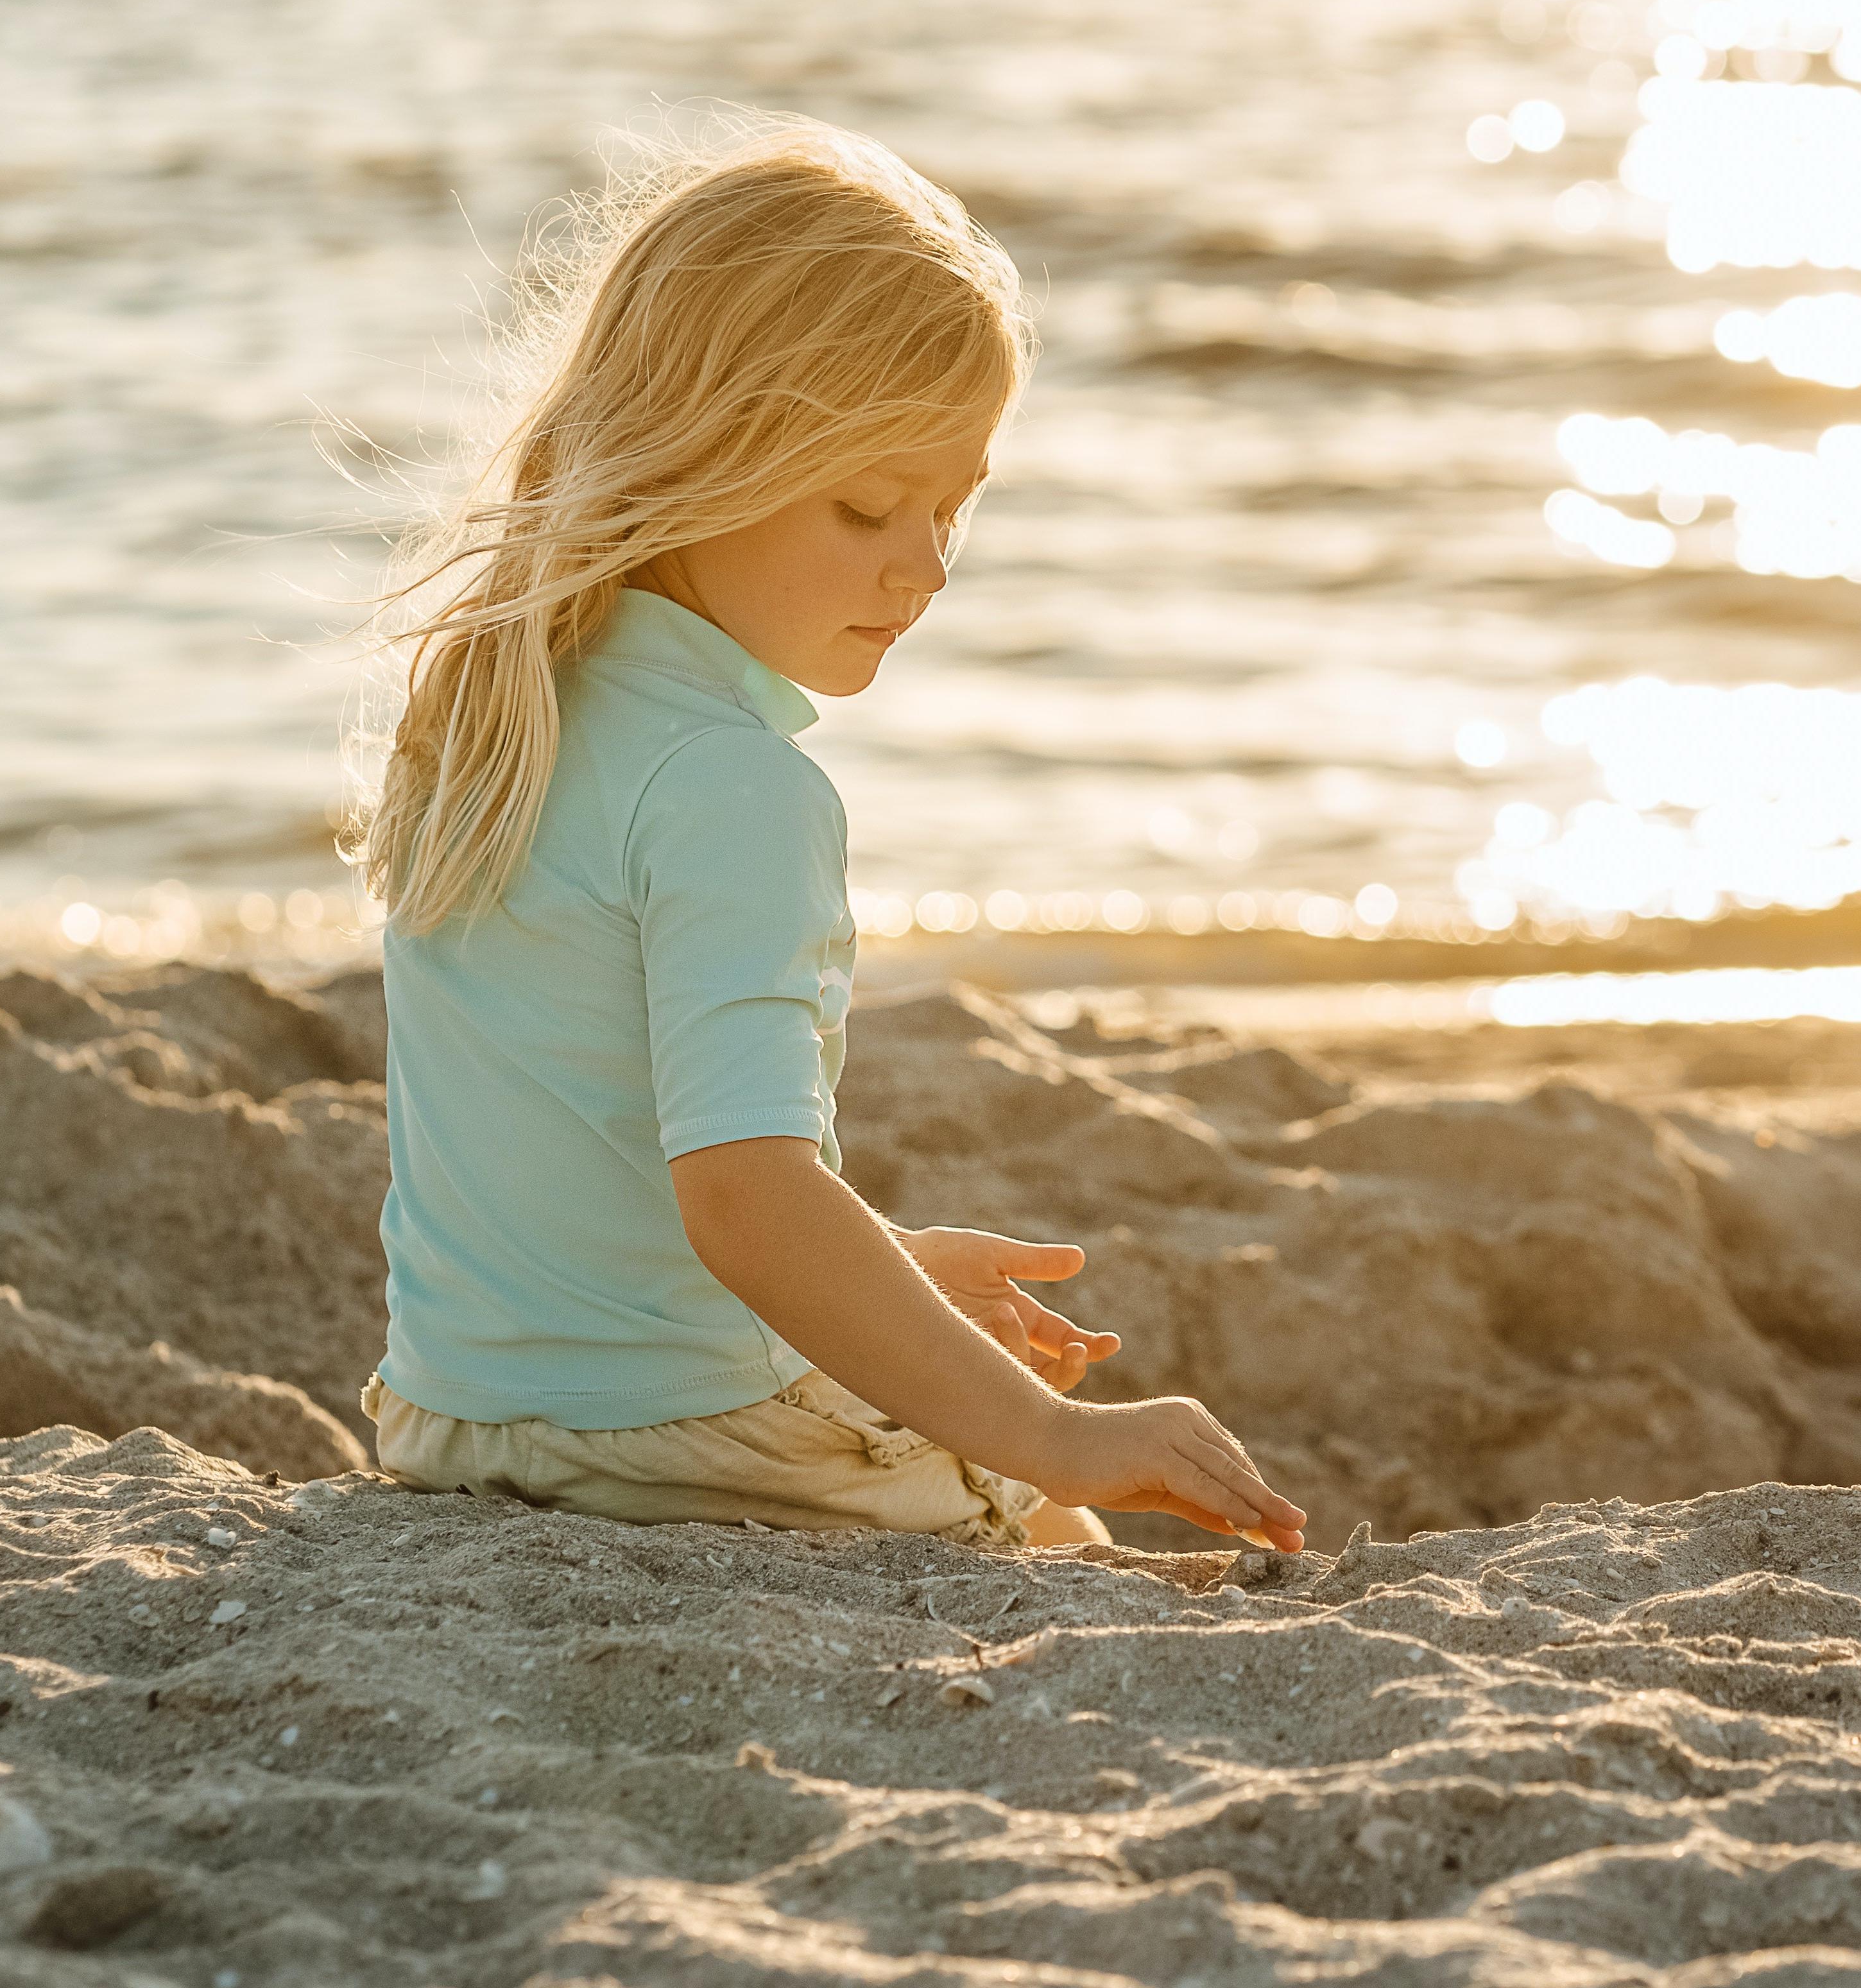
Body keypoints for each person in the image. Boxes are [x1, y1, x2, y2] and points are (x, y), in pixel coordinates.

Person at [352, 117, 1305, 1555]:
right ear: (701, 457)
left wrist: (896, 1281)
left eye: (954, 503)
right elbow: (744, 1195)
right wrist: (1054, 1431)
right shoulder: (731, 784)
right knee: (1059, 1531)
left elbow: (561, 1159)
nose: (922, 564)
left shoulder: (503, 708)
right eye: (867, 504)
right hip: (667, 1437)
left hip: (450, 1416)